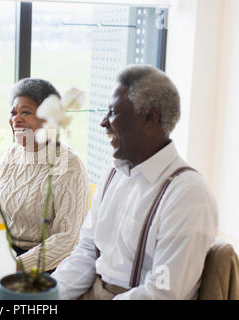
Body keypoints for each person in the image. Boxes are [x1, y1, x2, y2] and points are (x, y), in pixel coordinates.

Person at [51, 65, 218, 299]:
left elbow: (163, 294)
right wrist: (46, 296)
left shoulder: (188, 195)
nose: (103, 122)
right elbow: (87, 252)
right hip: (93, 291)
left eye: (113, 112)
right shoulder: (113, 173)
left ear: (150, 117)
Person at [0, 78, 91, 273]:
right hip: (3, 254)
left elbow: (67, 239)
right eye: (13, 113)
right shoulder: (12, 153)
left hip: (44, 268)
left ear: (47, 118)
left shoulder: (70, 165)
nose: (16, 119)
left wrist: (15, 267)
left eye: (25, 112)